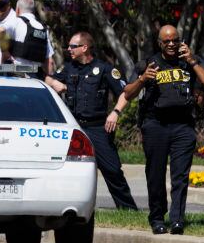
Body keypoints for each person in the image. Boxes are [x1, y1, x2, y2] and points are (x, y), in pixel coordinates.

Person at [124, 25, 204, 235]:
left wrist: (192, 61)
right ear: (160, 43)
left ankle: (177, 220)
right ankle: (157, 218)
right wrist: (142, 79)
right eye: (167, 41)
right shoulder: (148, 63)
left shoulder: (190, 61)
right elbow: (128, 94)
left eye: (175, 40)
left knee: (180, 176)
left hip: (183, 125)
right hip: (155, 124)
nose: (172, 44)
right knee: (155, 175)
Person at [45, 31, 138, 210]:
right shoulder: (68, 68)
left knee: (112, 170)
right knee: (67, 170)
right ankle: (66, 208)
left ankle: (128, 208)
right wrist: (53, 82)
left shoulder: (104, 69)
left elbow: (126, 93)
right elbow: (45, 79)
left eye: (73, 46)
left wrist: (115, 112)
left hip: (97, 127)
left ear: (84, 47)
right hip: (74, 128)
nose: (68, 49)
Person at [8, 0, 55, 78]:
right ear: (33, 11)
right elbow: (49, 62)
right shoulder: (42, 28)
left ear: (18, 10)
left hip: (16, 74)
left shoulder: (13, 23)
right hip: (36, 76)